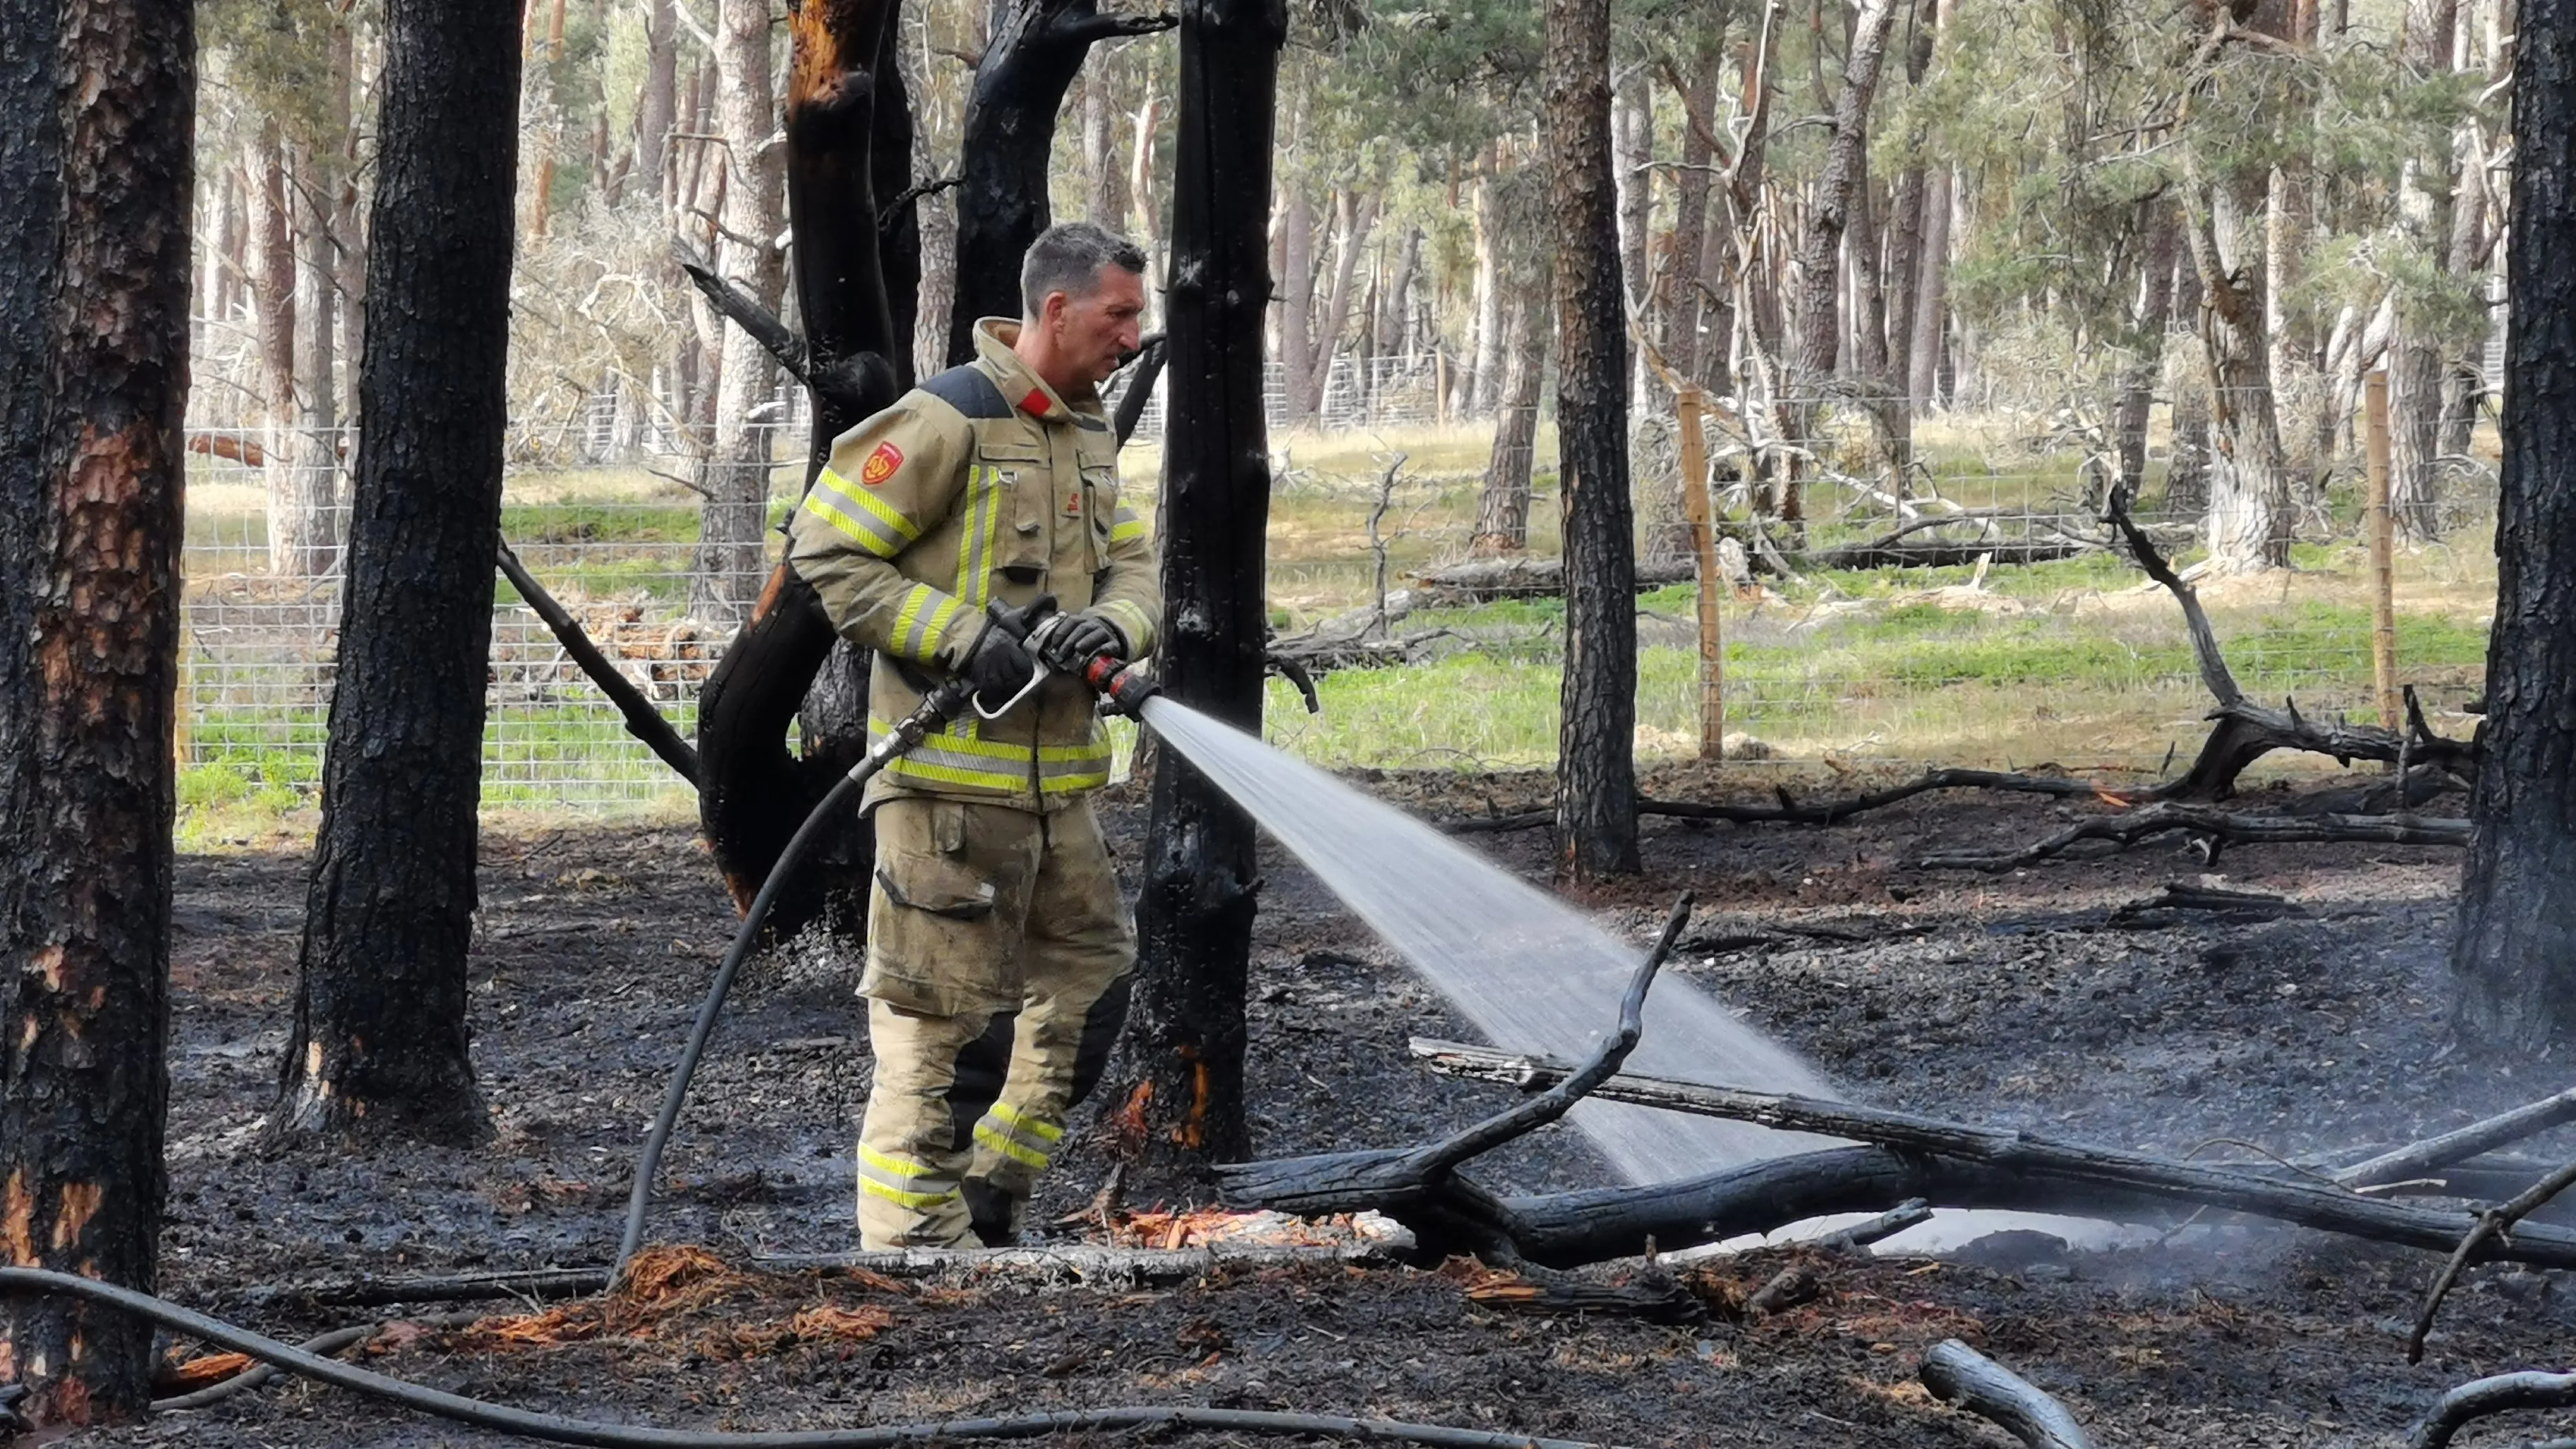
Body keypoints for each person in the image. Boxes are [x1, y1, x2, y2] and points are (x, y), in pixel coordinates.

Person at [784, 222, 1161, 1249]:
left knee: (1091, 985)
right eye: (1119, 314)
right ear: (1056, 309)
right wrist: (958, 637)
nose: (1134, 337)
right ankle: (911, 1253)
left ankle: (991, 1198)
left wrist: (1115, 626)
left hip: (1059, 795)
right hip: (944, 794)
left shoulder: (1086, 429)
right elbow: (826, 550)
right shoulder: (946, 416)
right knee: (943, 1029)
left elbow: (1134, 566)